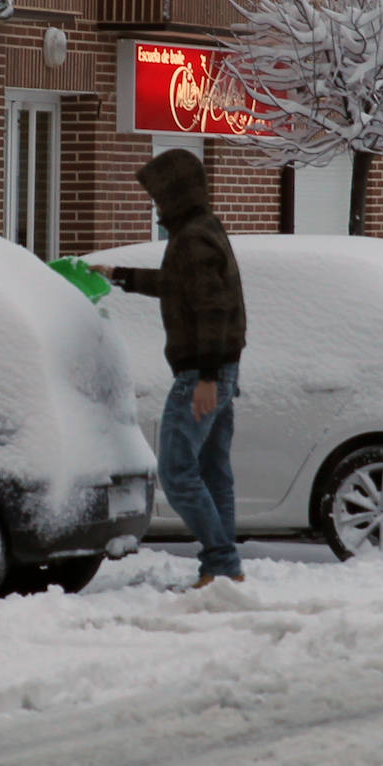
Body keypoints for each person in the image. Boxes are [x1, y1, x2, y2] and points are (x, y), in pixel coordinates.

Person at [91, 149, 247, 589]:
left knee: (178, 473)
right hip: (218, 370)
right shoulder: (201, 232)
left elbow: (214, 310)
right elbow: (176, 285)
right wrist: (119, 275)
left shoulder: (194, 238)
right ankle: (224, 568)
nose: (155, 206)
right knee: (214, 472)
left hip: (204, 372)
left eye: (158, 197)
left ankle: (220, 562)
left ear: (175, 195)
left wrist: (208, 379)